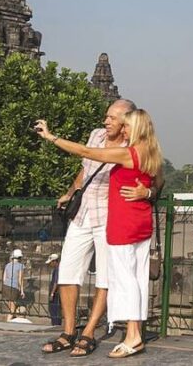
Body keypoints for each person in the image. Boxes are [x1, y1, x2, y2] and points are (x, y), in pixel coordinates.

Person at [36, 108, 163, 359]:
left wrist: (50, 137)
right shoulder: (147, 149)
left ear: (132, 125)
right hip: (113, 217)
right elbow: (88, 165)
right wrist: (72, 191)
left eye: (118, 121)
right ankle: (80, 332)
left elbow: (86, 152)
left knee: (119, 279)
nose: (110, 123)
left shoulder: (130, 150)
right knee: (125, 278)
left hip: (118, 221)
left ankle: (122, 335)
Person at [2, 249, 25, 321]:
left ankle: (12, 319)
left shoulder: (7, 265)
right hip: (14, 287)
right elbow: (20, 279)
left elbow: (4, 278)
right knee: (12, 308)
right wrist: (22, 291)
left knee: (10, 304)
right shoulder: (20, 266)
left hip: (6, 286)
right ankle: (8, 321)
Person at [47, 253, 62, 326]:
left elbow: (56, 282)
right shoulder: (58, 269)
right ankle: (56, 324)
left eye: (50, 263)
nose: (50, 265)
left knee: (54, 309)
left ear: (54, 261)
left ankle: (56, 324)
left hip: (56, 293)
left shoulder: (57, 269)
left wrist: (52, 293)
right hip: (57, 292)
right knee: (56, 310)